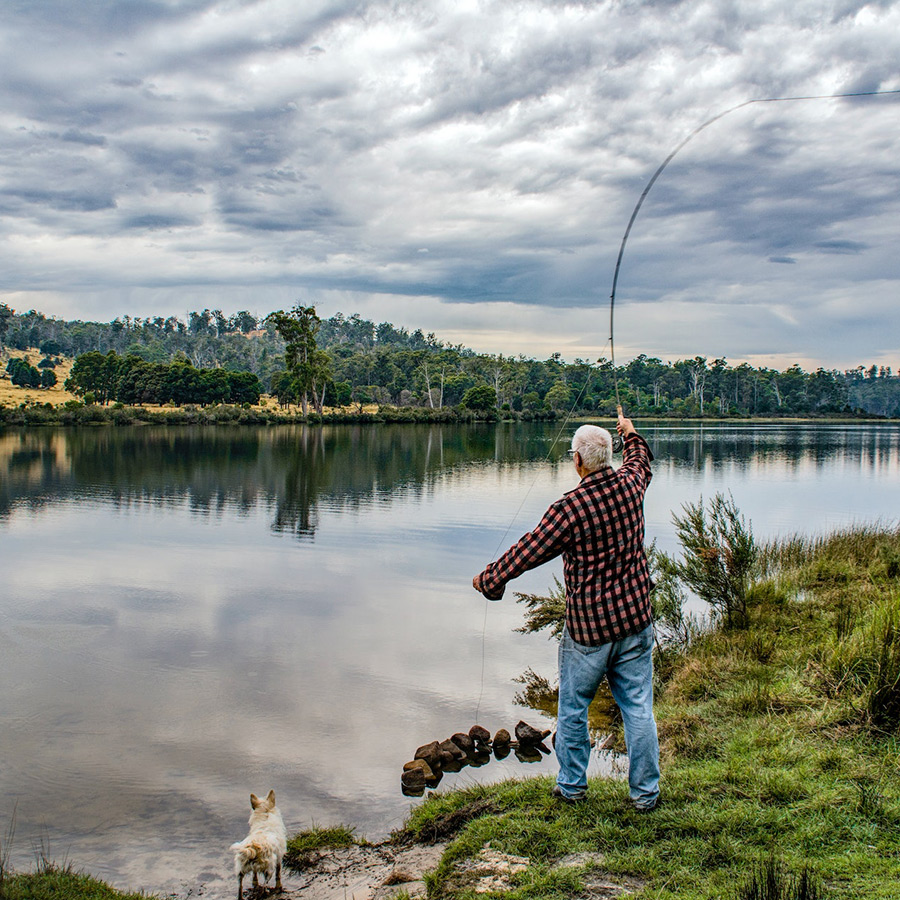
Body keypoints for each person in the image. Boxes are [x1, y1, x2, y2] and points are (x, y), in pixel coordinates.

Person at [472, 413, 660, 810]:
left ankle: (572, 787)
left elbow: (530, 549)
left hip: (589, 630)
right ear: (608, 456)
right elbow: (641, 459)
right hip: (635, 620)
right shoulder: (630, 484)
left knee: (574, 709)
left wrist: (492, 579)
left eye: (573, 454)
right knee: (639, 708)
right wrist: (632, 434)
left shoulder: (571, 508)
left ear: (578, 461)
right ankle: (645, 794)